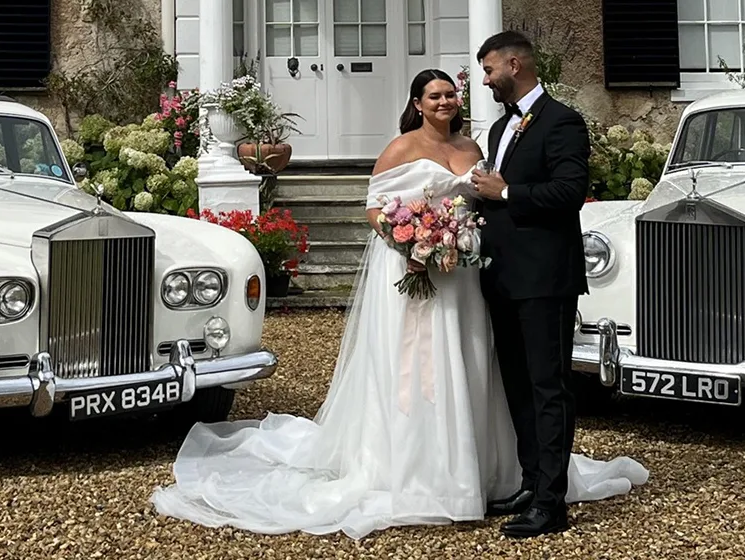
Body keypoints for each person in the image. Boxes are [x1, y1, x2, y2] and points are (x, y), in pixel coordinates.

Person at [149, 64, 646, 541]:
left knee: (474, 364)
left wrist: (454, 239)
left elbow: (488, 203)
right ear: (417, 104)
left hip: (464, 279)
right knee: (421, 369)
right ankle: (419, 472)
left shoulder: (478, 144)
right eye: (436, 96)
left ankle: (491, 472)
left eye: (452, 94)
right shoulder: (400, 149)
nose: (447, 101)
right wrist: (409, 245)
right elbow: (374, 207)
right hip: (416, 272)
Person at [465, 30, 597, 538]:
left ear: (515, 64)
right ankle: (530, 480)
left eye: (490, 69)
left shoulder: (562, 122)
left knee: (548, 388)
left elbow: (569, 191)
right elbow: (492, 198)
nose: (486, 79)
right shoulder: (500, 130)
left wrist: (508, 190)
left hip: (545, 278)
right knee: (517, 385)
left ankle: (552, 502)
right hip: (502, 276)